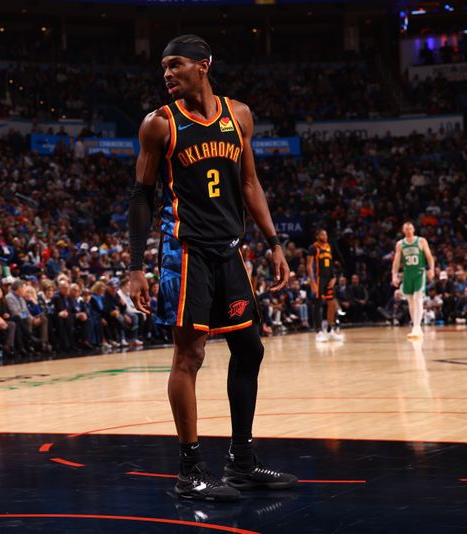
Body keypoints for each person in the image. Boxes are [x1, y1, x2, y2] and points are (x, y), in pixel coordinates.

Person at [128, 35, 297, 502]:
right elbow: (141, 195)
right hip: (185, 252)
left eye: (175, 65)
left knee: (250, 350)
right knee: (190, 357)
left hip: (230, 250)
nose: (167, 74)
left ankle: (241, 461)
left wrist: (275, 243)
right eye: (163, 67)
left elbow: (249, 182)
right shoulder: (159, 124)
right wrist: (135, 266)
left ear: (203, 65)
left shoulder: (237, 115)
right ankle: (190, 470)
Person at [391, 221, 435, 338]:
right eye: (406, 229)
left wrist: (431, 269)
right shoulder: (400, 244)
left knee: (417, 297)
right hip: (407, 273)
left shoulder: (421, 241)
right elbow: (396, 261)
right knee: (410, 300)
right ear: (403, 231)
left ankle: (417, 326)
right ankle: (415, 325)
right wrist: (394, 275)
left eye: (410, 228)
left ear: (414, 229)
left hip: (419, 272)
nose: (408, 230)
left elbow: (429, 256)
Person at [307, 229, 343, 342]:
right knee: (318, 305)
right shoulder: (313, 248)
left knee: (332, 304)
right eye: (322, 234)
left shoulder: (328, 246)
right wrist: (312, 282)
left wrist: (334, 277)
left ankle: (329, 330)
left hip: (329, 279)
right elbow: (309, 266)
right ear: (317, 236)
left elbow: (331, 264)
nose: (325, 236)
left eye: (326, 234)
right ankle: (318, 331)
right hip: (319, 279)